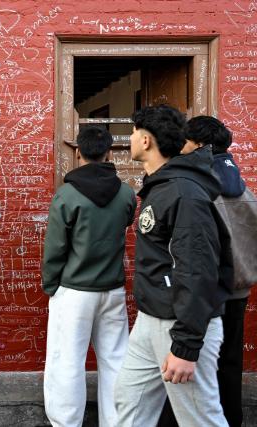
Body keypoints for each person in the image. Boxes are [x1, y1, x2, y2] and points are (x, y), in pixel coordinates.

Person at [114, 105, 231, 426]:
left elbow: (198, 270)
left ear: (147, 140)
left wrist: (186, 345)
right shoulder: (161, 186)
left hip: (181, 323)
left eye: (135, 132)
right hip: (151, 319)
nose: (131, 139)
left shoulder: (184, 193)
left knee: (200, 418)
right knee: (129, 401)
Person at [158, 116, 256, 427]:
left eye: (186, 142)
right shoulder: (246, 193)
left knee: (190, 364)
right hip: (239, 291)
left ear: (199, 146)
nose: (181, 148)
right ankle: (231, 419)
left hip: (205, 294)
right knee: (229, 363)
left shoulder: (196, 191)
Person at [42, 125, 136, 427]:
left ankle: (66, 423)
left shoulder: (67, 195)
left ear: (78, 152)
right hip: (112, 289)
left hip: (74, 291)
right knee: (116, 360)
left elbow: (56, 247)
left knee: (67, 361)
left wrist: (51, 284)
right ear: (109, 152)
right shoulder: (126, 194)